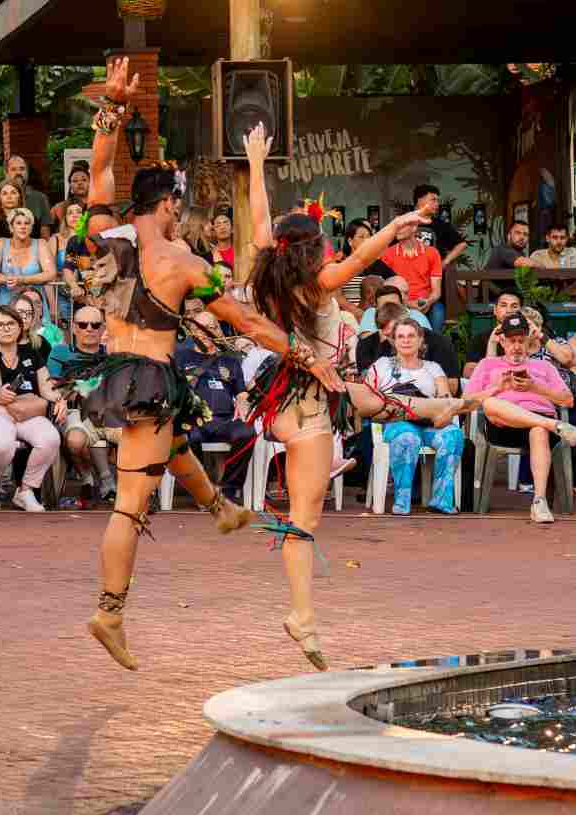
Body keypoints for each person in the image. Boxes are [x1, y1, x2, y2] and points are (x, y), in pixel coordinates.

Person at [66, 61, 352, 673]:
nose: (178, 215)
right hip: (145, 377)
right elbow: (248, 324)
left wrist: (112, 108)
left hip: (121, 371)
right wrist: (305, 356)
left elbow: (100, 171)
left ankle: (220, 508)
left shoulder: (104, 235)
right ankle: (110, 611)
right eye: (177, 206)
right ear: (167, 204)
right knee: (130, 505)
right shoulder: (180, 261)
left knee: (172, 435)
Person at [225, 119, 474, 672]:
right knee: (303, 521)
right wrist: (400, 226)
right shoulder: (317, 283)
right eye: (324, 245)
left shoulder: (269, 268)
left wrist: (259, 165)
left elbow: (261, 220)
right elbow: (362, 263)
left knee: (379, 402)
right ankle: (301, 615)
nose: (330, 251)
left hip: (305, 394)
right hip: (309, 406)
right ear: (312, 253)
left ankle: (439, 407)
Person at [463, 313, 576, 523]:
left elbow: (568, 400)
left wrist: (535, 387)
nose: (517, 346)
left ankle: (539, 501)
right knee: (490, 403)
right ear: (502, 341)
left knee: (538, 430)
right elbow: (466, 402)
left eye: (521, 341)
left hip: (540, 426)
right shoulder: (487, 365)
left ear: (529, 340)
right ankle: (555, 425)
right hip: (502, 427)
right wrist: (497, 387)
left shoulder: (545, 367)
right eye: (512, 341)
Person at [0, 305, 67, 511]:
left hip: (26, 411)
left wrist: (59, 399)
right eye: (0, 324)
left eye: (11, 324)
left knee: (50, 438)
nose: (6, 328)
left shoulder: (32, 354)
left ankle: (26, 490)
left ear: (20, 328)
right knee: (3, 442)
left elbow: (46, 387)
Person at [364, 317, 464, 515]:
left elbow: (445, 397)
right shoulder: (382, 365)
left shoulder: (433, 367)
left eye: (411, 336)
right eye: (400, 336)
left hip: (430, 423)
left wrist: (442, 409)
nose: (406, 340)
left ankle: (442, 500)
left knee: (453, 435)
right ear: (393, 341)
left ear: (420, 340)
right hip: (397, 421)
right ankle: (402, 501)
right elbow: (367, 398)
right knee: (408, 438)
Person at [174, 312, 255, 504]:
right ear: (192, 331)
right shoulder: (181, 357)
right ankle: (203, 490)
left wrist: (243, 403)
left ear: (217, 330)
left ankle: (229, 489)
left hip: (224, 419)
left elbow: (241, 392)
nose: (204, 333)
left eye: (210, 328)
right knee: (187, 437)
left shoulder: (230, 360)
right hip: (193, 418)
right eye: (198, 328)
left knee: (246, 433)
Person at [52, 305, 117, 503]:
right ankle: (89, 477)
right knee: (75, 441)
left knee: (137, 438)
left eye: (95, 325)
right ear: (73, 327)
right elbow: (52, 387)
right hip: (74, 411)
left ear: (103, 328)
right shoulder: (61, 352)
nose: (89, 329)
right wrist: (76, 392)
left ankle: (133, 491)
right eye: (83, 324)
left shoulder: (112, 354)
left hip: (109, 413)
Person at [356, 301, 461, 394]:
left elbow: (453, 388)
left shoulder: (439, 343)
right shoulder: (382, 348)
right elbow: (369, 391)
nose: (393, 340)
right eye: (388, 336)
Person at [0, 208, 56, 309]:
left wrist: (22, 280)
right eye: (18, 223)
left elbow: (50, 274)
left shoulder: (41, 244)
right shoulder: (1, 243)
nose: (23, 227)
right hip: (5, 303)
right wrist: (7, 279)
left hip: (34, 303)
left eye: (27, 223)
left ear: (31, 227)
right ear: (11, 227)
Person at [381, 217, 444, 331]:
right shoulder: (388, 254)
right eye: (396, 226)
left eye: (401, 226)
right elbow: (386, 291)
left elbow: (436, 292)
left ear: (414, 227)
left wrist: (428, 302)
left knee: (438, 311)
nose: (396, 229)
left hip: (425, 302)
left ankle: (434, 345)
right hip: (399, 303)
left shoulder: (432, 253)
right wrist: (408, 303)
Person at [463, 290, 523, 377]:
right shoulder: (480, 338)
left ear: (521, 311)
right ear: (495, 310)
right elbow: (468, 374)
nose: (509, 310)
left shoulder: (528, 336)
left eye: (514, 306)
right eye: (503, 305)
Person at [48, 198, 86, 325]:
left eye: (79, 212)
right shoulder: (55, 239)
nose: (75, 215)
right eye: (70, 213)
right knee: (65, 333)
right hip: (62, 294)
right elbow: (48, 272)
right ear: (64, 218)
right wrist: (53, 305)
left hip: (87, 294)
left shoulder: (91, 239)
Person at [412, 185, 468, 270]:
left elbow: (461, 244)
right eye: (433, 200)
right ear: (420, 200)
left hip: (434, 277)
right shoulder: (403, 222)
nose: (437, 204)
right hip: (408, 277)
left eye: (437, 201)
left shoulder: (441, 225)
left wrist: (445, 262)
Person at [357, 279, 432, 333]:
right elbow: (366, 341)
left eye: (406, 293)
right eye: (400, 292)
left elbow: (428, 339)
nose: (403, 297)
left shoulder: (416, 315)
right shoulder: (371, 313)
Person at [51, 163, 90, 231]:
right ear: (70, 186)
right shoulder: (60, 207)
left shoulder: (98, 205)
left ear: (90, 183)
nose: (79, 183)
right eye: (75, 181)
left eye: (84, 180)